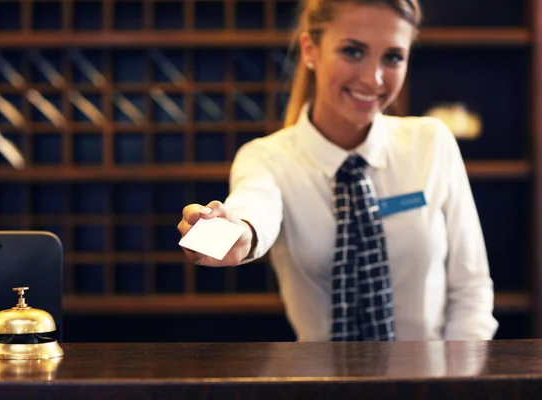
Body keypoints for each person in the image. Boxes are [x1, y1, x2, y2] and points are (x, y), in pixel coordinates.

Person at [177, 0, 499, 342]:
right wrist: (228, 235)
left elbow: (472, 290)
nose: (373, 78)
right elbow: (254, 207)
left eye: (392, 57)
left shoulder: (431, 144)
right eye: (352, 51)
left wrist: (457, 383)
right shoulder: (267, 158)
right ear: (310, 49)